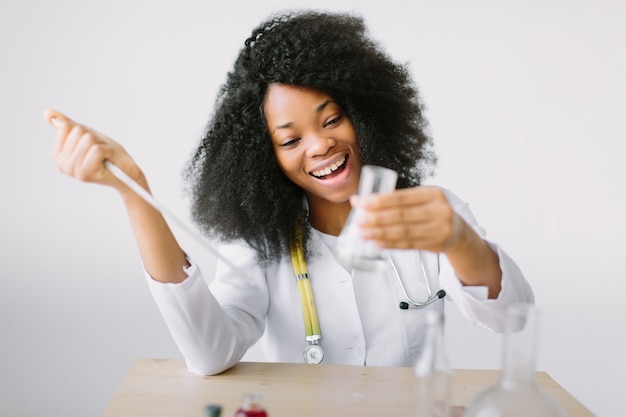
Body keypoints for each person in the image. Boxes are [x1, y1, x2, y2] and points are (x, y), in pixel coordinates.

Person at [44, 10, 534, 375]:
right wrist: (135, 192)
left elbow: (511, 318)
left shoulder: (433, 211)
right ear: (264, 155)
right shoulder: (258, 241)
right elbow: (209, 353)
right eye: (291, 139)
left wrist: (460, 241)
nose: (321, 145)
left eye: (332, 119)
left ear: (365, 114)